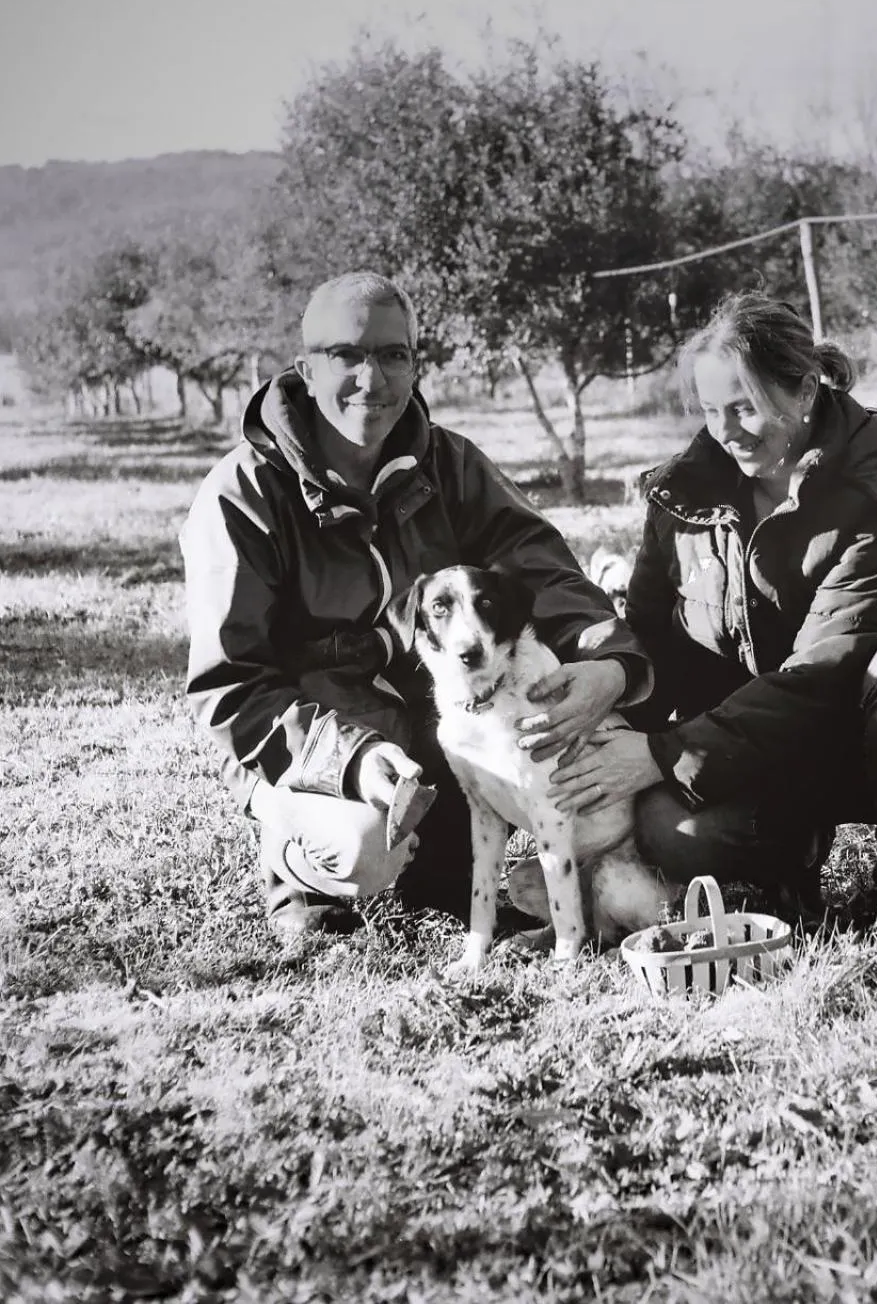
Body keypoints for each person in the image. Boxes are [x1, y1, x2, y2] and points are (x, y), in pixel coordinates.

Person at [179, 270, 651, 941]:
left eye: (393, 355)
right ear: (305, 370)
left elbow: (543, 571)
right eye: (347, 354)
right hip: (327, 746)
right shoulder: (243, 495)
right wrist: (350, 758)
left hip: (440, 736)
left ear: (415, 366)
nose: (372, 380)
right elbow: (230, 686)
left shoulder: (451, 466)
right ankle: (305, 895)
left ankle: (442, 885)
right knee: (363, 843)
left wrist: (612, 666)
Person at [548, 292, 877, 922]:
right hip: (749, 752)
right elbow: (651, 637)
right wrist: (613, 673)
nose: (724, 432)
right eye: (709, 411)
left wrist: (663, 756)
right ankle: (787, 862)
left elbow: (825, 671)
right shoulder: (680, 497)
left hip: (868, 739)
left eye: (744, 408)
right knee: (669, 828)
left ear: (806, 392)